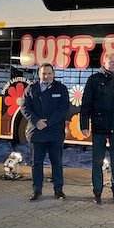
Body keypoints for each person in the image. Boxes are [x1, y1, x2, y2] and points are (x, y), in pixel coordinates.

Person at [80, 53, 114, 204]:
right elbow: (86, 104)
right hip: (99, 128)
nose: (113, 64)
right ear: (104, 62)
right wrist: (84, 126)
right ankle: (97, 192)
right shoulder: (94, 80)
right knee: (97, 162)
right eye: (110, 61)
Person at [21, 63, 70, 201]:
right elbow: (24, 108)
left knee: (57, 163)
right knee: (36, 163)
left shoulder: (61, 89)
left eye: (49, 73)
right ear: (39, 74)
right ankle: (37, 190)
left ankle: (58, 190)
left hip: (54, 133)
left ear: (53, 74)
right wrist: (36, 121)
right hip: (36, 133)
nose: (46, 76)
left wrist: (48, 123)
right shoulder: (31, 89)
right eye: (44, 73)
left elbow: (63, 108)